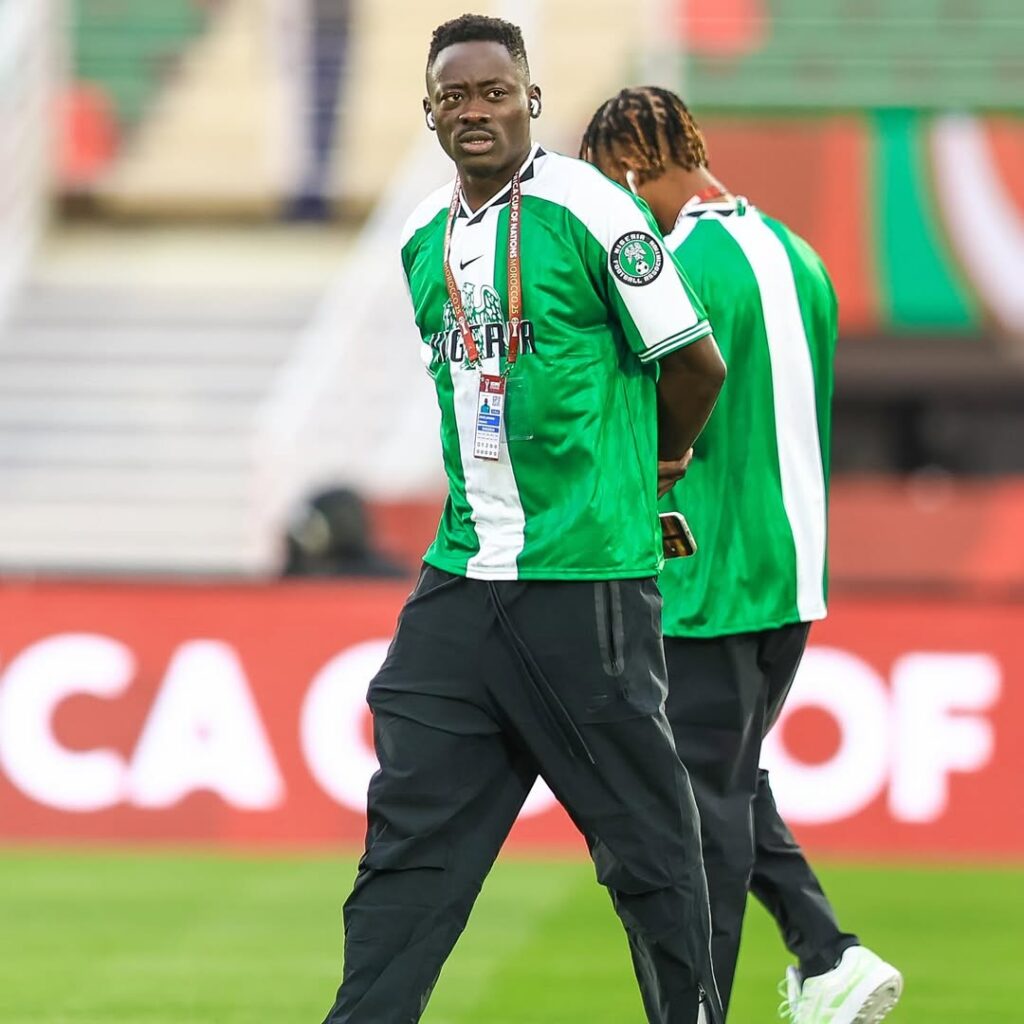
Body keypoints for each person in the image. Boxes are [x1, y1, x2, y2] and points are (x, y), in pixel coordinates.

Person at [317, 16, 729, 1024]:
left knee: (646, 850)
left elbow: (694, 363)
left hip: (583, 577)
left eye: (494, 92)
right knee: (408, 847)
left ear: (531, 100)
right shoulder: (421, 239)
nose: (475, 110)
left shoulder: (590, 209)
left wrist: (655, 469)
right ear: (429, 112)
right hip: (463, 577)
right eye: (454, 96)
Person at [581, 87, 903, 1024]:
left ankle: (708, 1004)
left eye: (607, 188)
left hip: (707, 577)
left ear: (632, 170)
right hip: (791, 576)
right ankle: (826, 953)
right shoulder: (799, 255)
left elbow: (654, 415)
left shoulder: (679, 267)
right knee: (722, 777)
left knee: (701, 808)